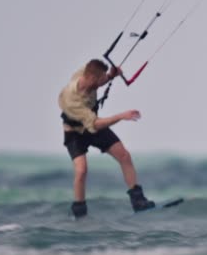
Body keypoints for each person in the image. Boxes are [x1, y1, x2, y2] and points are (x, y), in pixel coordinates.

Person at [58, 59, 156, 216]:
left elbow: (101, 77)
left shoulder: (89, 73)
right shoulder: (72, 99)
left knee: (124, 155)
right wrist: (121, 116)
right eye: (99, 81)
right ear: (90, 78)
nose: (100, 83)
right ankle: (80, 212)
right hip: (75, 132)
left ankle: (138, 202)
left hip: (91, 125)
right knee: (81, 170)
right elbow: (95, 124)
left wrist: (111, 75)